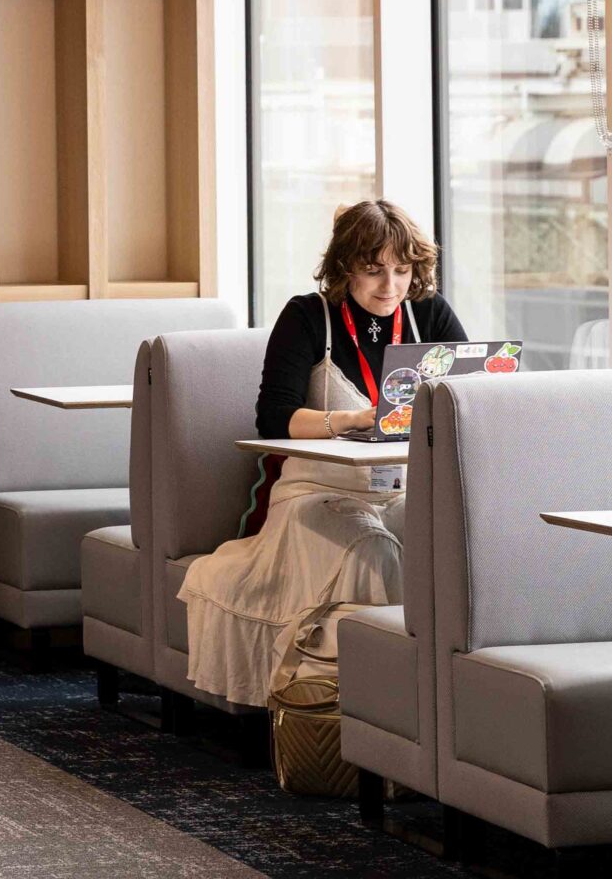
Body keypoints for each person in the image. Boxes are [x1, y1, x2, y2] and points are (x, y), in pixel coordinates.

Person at [176, 198, 467, 708]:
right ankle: (363, 707)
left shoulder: (429, 314)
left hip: (402, 490)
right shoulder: (309, 316)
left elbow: (472, 398)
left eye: (402, 271)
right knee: (373, 550)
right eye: (374, 271)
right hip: (318, 491)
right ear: (344, 267)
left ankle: (431, 709)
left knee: (438, 541)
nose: (390, 287)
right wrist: (352, 420)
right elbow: (274, 417)